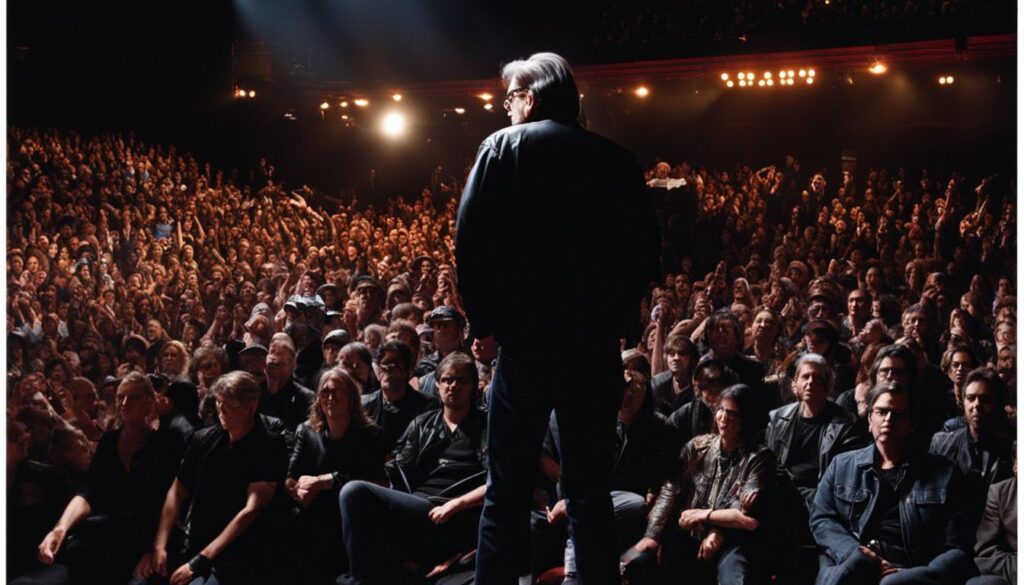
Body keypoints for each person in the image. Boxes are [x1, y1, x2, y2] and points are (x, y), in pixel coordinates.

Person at [456, 53, 659, 584]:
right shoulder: (617, 160)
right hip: (592, 350)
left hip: (526, 346)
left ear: (531, 97)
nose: (505, 108)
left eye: (509, 98)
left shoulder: (502, 148)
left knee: (506, 491)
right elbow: (642, 253)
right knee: (589, 494)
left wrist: (485, 325)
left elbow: (470, 244)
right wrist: (620, 325)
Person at [338, 352, 488, 584]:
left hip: (459, 513)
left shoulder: (487, 426)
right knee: (353, 496)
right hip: (420, 507)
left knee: (354, 491)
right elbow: (397, 471)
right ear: (437, 385)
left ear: (474, 386)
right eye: (447, 379)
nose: (453, 386)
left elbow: (498, 481)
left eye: (462, 380)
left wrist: (457, 504)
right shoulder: (422, 424)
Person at [810, 381, 977, 585]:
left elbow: (956, 545)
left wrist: (920, 575)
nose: (888, 419)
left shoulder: (945, 473)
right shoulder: (842, 465)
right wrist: (854, 552)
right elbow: (822, 518)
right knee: (851, 570)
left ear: (911, 425)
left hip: (908, 569)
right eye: (881, 412)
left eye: (898, 414)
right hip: (852, 560)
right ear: (869, 419)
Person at [133, 371, 289, 585]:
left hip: (238, 553)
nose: (221, 410)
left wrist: (199, 562)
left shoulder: (269, 446)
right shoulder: (205, 438)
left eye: (229, 405)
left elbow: (251, 510)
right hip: (195, 543)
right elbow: (176, 491)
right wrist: (160, 545)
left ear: (251, 407)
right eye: (218, 403)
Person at [37, 373, 185, 585]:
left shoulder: (167, 443)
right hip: (113, 533)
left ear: (150, 401)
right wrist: (60, 529)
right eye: (121, 397)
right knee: (68, 551)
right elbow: (89, 493)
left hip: (153, 535)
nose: (125, 403)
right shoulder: (109, 441)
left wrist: (152, 548)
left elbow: (171, 502)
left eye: (134, 397)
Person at [624, 384, 775, 585]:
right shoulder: (697, 447)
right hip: (691, 534)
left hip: (733, 541)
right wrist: (653, 534)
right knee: (639, 561)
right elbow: (671, 490)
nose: (723, 418)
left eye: (732, 414)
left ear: (745, 419)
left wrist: (716, 529)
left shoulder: (758, 457)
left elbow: (745, 509)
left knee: (735, 574)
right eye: (721, 410)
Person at [286, 368, 387, 585]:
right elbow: (291, 477)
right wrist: (298, 491)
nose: (330, 398)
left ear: (351, 398)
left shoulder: (370, 435)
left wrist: (324, 481)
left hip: (351, 517)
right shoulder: (306, 431)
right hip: (313, 513)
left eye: (336, 391)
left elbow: (376, 482)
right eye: (325, 392)